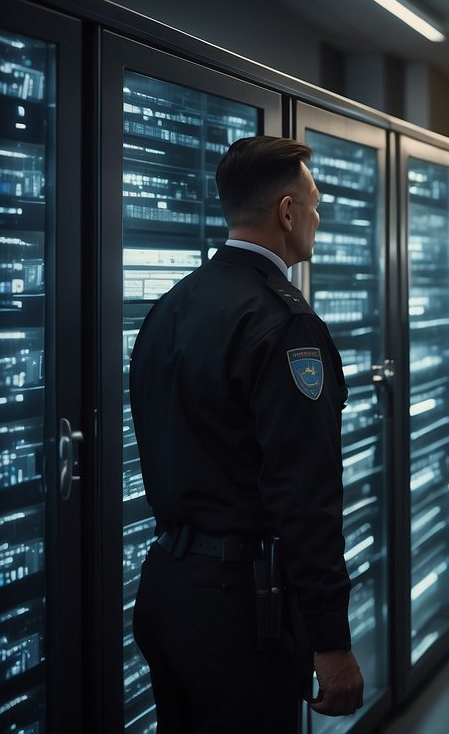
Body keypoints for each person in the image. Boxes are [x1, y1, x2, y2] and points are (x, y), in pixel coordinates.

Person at [130, 136, 364, 731]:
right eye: (314, 204)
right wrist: (331, 641)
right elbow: (306, 495)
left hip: (166, 589)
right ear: (287, 212)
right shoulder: (284, 324)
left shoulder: (170, 307)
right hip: (242, 607)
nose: (317, 216)